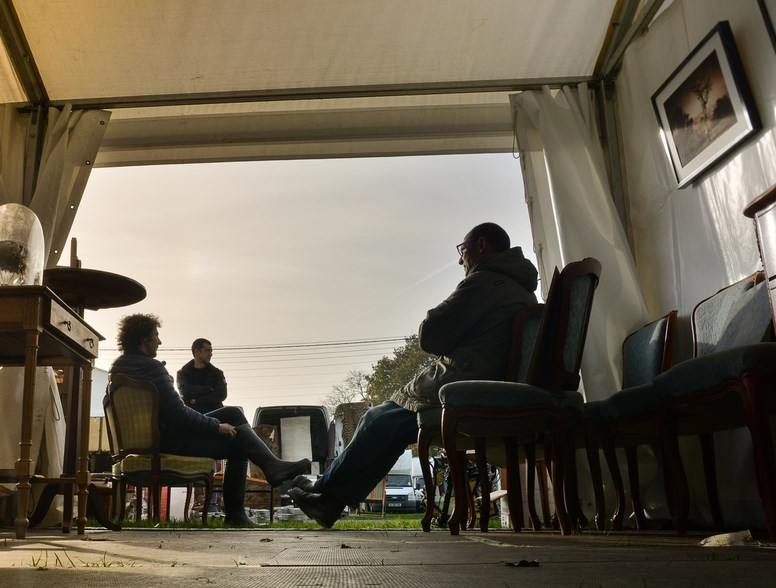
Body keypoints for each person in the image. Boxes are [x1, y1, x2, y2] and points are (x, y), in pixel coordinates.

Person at [289, 222, 539, 528]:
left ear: (482, 246)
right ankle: (330, 502)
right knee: (388, 427)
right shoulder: (521, 288)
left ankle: (324, 489)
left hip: (463, 387)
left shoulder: (485, 282)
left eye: (463, 251)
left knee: (376, 419)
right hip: (484, 382)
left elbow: (431, 335)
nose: (461, 260)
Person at [109, 314, 310, 527]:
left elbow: (183, 408)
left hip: (147, 441)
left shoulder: (117, 369)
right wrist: (216, 427)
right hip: (169, 440)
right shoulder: (152, 368)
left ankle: (271, 467)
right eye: (156, 336)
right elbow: (179, 414)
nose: (160, 341)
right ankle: (239, 511)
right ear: (144, 340)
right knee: (238, 443)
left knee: (232, 413)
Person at [177, 338, 228, 413]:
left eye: (211, 351)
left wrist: (197, 401)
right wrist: (208, 389)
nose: (211, 354)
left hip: (214, 413)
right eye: (207, 350)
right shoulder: (183, 373)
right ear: (197, 351)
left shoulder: (217, 373)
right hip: (192, 415)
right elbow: (185, 392)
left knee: (235, 412)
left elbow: (221, 394)